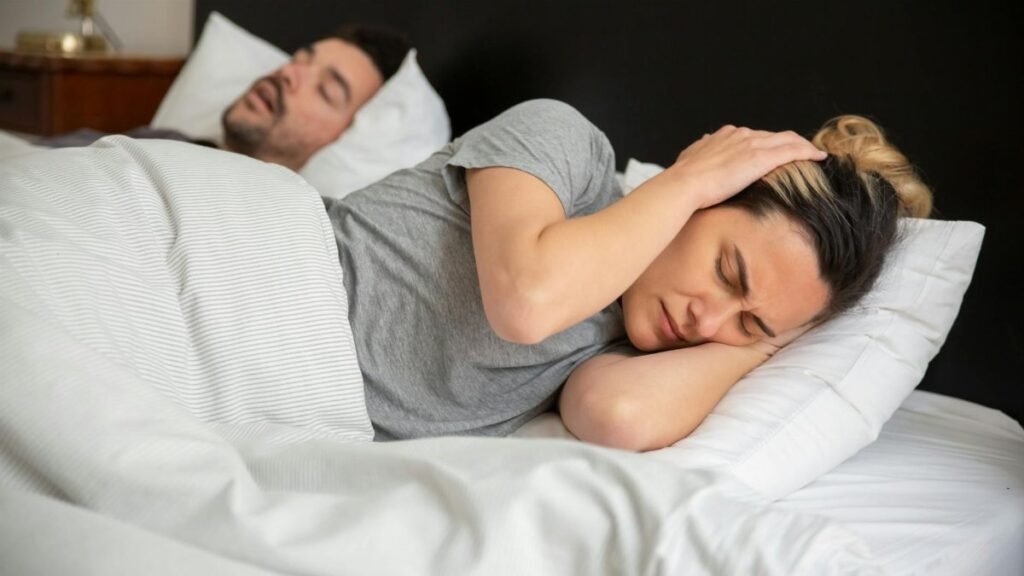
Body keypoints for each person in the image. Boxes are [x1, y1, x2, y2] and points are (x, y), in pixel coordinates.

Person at [325, 99, 932, 450]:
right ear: (708, 198)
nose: (708, 321)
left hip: (290, 406)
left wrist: (764, 345)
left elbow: (617, 415)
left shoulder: (624, 351)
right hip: (275, 270)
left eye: (749, 322)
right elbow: (526, 303)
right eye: (728, 272)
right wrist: (687, 180)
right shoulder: (565, 149)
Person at [37, 24, 410, 171]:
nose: (288, 73)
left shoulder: (281, 221)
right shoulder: (164, 139)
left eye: (326, 90)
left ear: (348, 137)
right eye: (299, 59)